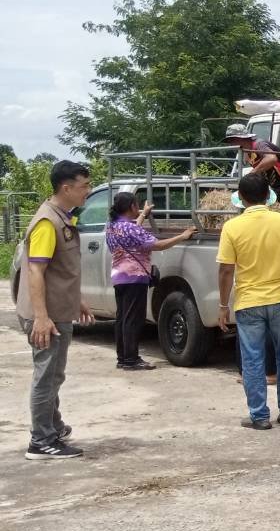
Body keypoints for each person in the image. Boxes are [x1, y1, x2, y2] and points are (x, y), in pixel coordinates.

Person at [217, 172, 280, 430]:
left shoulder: (231, 227)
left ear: (240, 198)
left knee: (252, 360)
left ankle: (259, 416)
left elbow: (226, 270)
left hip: (248, 302)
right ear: (269, 196)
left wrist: (222, 305)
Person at [16, 161, 95, 461]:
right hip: (47, 316)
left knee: (54, 374)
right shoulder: (48, 223)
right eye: (84, 185)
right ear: (66, 188)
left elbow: (59, 272)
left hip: (58, 310)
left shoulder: (61, 218)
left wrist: (76, 299)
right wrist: (41, 317)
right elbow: (36, 272)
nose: (87, 191)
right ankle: (41, 441)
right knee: (47, 376)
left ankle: (53, 426)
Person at [105, 192, 197, 371]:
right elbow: (158, 245)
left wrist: (143, 214)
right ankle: (132, 359)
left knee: (122, 318)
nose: (138, 206)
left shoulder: (112, 226)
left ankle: (123, 358)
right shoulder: (131, 229)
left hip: (119, 277)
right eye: (137, 205)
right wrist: (182, 236)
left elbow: (132, 232)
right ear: (131, 206)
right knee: (133, 319)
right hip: (135, 277)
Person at [222, 123, 280, 226]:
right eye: (229, 141)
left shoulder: (259, 144)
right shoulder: (247, 155)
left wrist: (252, 174)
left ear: (240, 138)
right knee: (279, 222)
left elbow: (271, 158)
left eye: (232, 140)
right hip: (279, 188)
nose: (231, 144)